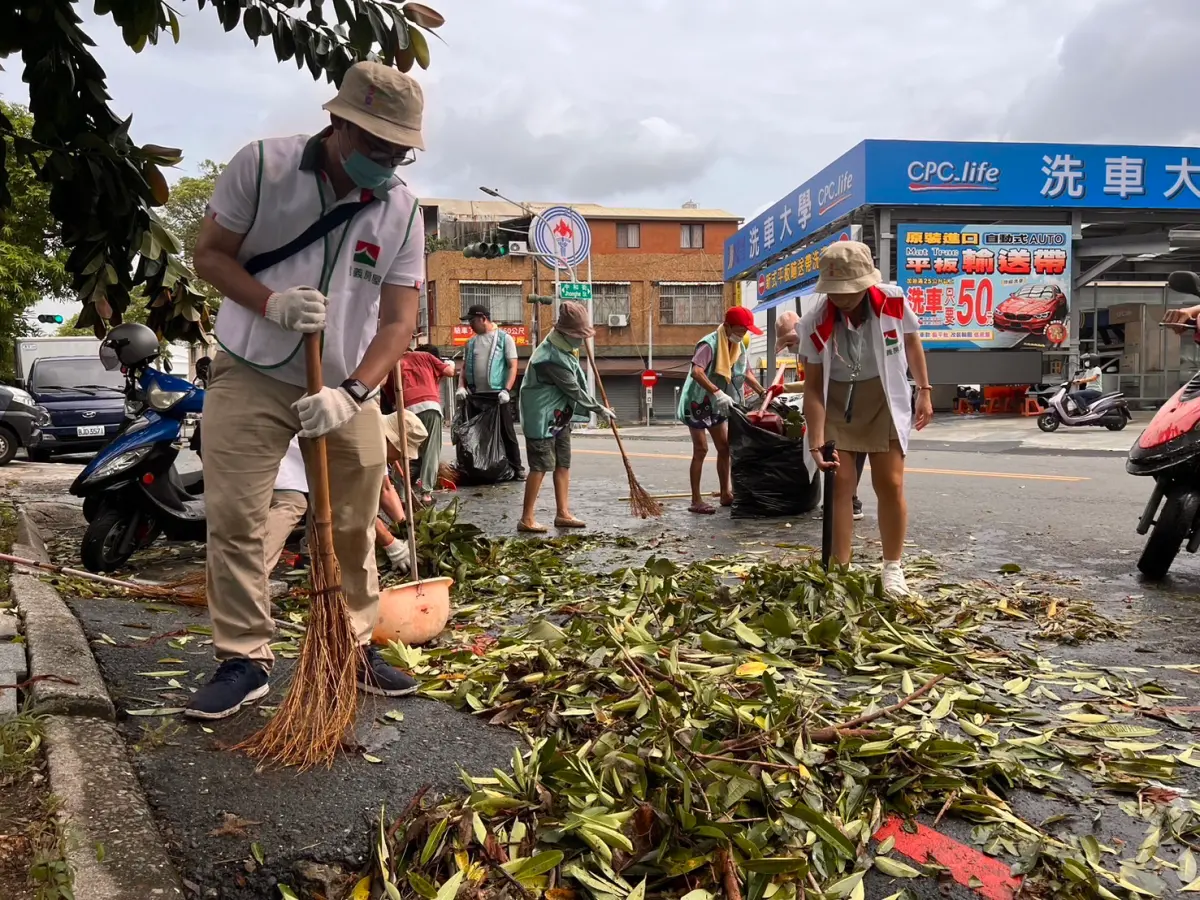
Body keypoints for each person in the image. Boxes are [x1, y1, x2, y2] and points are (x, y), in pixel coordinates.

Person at [187, 61, 426, 720]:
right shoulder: (261, 168)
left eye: (399, 151)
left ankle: (351, 644)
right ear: (339, 124)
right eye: (376, 146)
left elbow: (401, 319)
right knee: (236, 517)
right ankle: (243, 658)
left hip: (346, 381)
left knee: (354, 522)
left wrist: (353, 392)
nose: (387, 162)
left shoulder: (401, 211)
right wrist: (271, 304)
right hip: (251, 366)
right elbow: (210, 254)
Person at [796, 241, 933, 596]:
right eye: (835, 292)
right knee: (841, 485)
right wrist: (815, 439)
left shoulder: (892, 302)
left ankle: (892, 568)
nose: (842, 299)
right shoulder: (814, 321)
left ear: (867, 282)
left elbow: (912, 343)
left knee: (890, 481)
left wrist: (924, 390)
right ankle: (840, 571)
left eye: (850, 290)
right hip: (836, 401)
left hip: (882, 394)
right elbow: (812, 388)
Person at [517, 301, 614, 533]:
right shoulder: (549, 357)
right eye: (578, 335)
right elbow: (573, 389)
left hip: (559, 418)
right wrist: (598, 408)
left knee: (563, 463)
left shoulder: (565, 348)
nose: (581, 340)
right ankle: (526, 518)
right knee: (540, 466)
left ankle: (563, 513)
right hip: (541, 419)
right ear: (565, 333)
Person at [773, 310, 866, 521]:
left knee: (851, 450)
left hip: (849, 399)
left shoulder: (820, 339)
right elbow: (813, 385)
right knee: (844, 451)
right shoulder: (808, 349)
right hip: (837, 401)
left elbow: (817, 386)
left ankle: (848, 500)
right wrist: (784, 389)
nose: (791, 348)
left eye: (790, 343)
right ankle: (844, 500)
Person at [677, 305, 768, 514]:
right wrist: (717, 392)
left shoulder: (739, 347)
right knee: (701, 449)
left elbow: (746, 374)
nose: (742, 335)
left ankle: (726, 494)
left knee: (725, 448)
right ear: (726, 326)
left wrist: (763, 392)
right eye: (739, 330)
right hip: (697, 403)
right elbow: (697, 373)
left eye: (744, 331)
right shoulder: (709, 344)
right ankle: (696, 500)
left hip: (719, 404)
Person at [456, 305, 524, 480]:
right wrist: (461, 387)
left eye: (471, 320)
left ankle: (517, 467)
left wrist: (506, 390)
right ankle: (480, 468)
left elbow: (512, 365)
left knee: (506, 432)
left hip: (497, 396)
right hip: (475, 395)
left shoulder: (504, 339)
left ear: (482, 318)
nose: (469, 324)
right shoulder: (471, 343)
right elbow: (463, 369)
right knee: (475, 433)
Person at [374, 409, 428, 573]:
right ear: (391, 440)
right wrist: (391, 544)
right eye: (402, 451)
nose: (401, 457)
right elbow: (354, 506)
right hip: (298, 475)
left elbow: (385, 489)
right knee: (297, 504)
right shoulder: (362, 446)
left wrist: (405, 528)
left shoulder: (378, 444)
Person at [400, 344, 454, 504]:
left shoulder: (395, 363)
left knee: (404, 452)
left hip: (407, 409)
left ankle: (401, 494)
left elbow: (390, 395)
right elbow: (450, 372)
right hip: (430, 406)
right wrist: (449, 363)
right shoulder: (426, 357)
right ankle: (426, 494)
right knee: (431, 450)